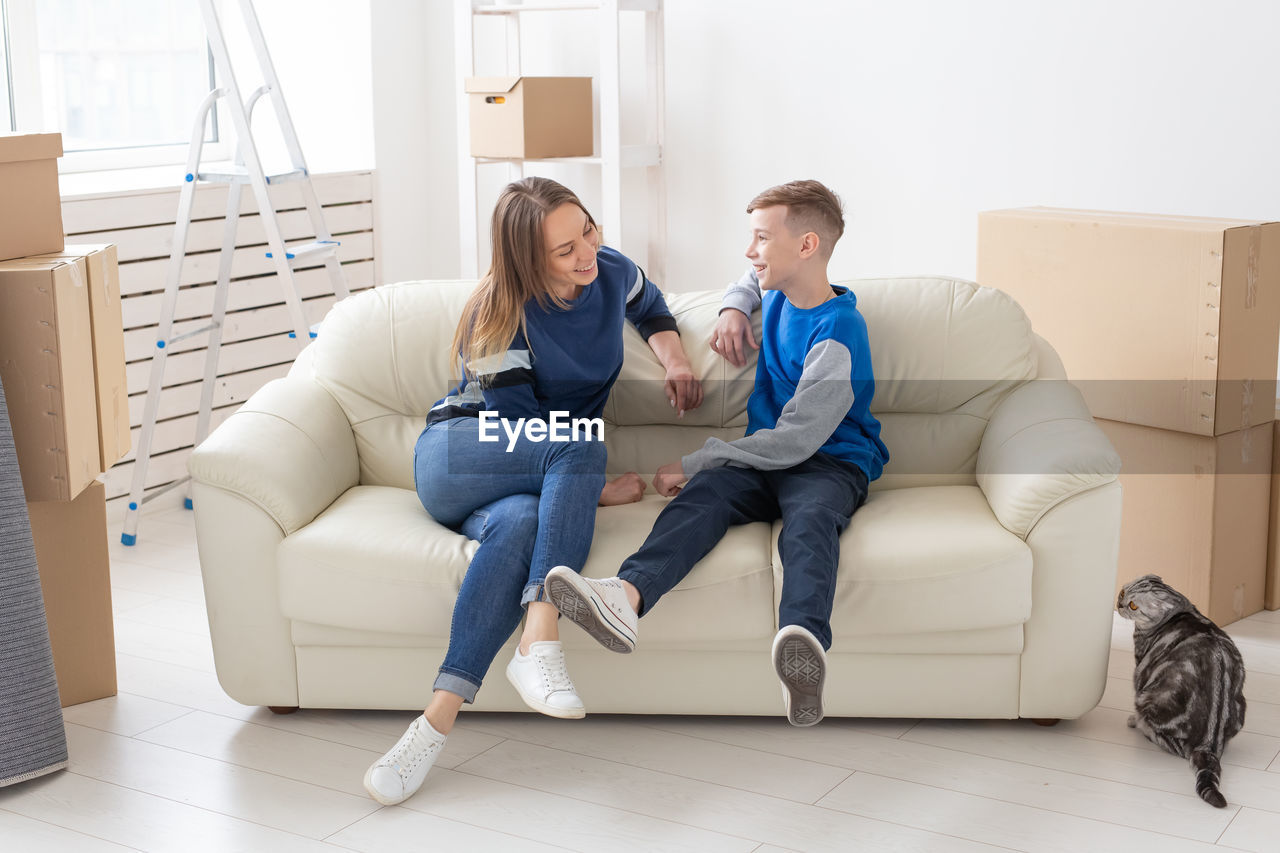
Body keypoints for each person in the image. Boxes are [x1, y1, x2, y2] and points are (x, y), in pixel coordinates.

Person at [363, 177, 704, 805]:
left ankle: (432, 725)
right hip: (460, 454)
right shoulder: (496, 314)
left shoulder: (608, 271)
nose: (586, 254)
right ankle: (540, 634)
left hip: (520, 484)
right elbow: (521, 427)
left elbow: (650, 306)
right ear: (527, 259)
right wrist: (594, 489)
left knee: (521, 525)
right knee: (578, 439)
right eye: (564, 249)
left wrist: (676, 360)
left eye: (589, 232)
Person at [545, 179, 888, 727]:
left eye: (760, 239)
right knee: (701, 501)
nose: (750, 252)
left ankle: (802, 646)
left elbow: (798, 439)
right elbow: (748, 281)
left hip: (829, 459)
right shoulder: (776, 291)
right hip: (761, 463)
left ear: (805, 247)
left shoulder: (839, 331)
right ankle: (625, 598)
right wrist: (734, 307)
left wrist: (697, 458)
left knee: (810, 524)